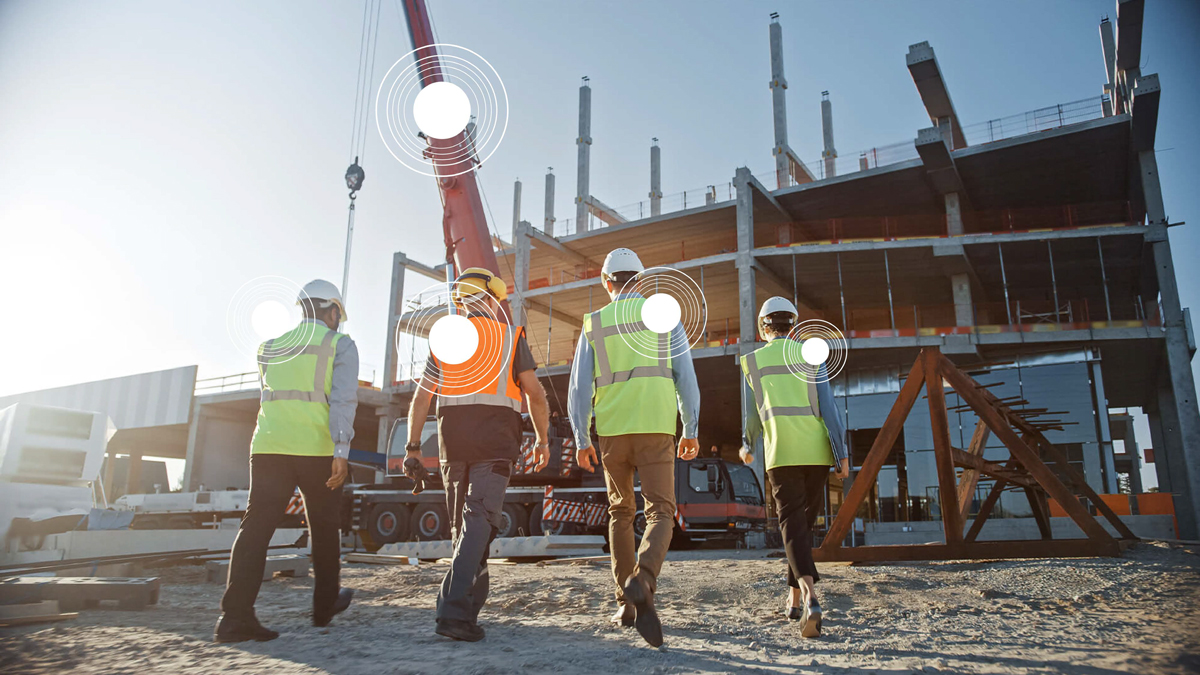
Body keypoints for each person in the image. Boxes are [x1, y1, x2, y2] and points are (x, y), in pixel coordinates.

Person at [405, 267, 551, 643]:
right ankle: (453, 612)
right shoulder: (509, 336)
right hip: (496, 444)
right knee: (478, 523)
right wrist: (543, 439)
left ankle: (468, 613)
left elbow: (422, 397)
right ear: (489, 298)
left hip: (453, 447)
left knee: (468, 530)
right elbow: (535, 394)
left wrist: (413, 447)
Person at [568, 248, 701, 647]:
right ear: (640, 282)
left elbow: (578, 388)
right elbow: (686, 378)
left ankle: (626, 605)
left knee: (620, 511)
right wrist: (690, 427)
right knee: (661, 511)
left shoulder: (594, 323)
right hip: (657, 428)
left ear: (607, 284)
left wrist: (580, 438)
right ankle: (642, 580)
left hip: (611, 430)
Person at [215, 279, 358, 643]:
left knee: (255, 529)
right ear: (333, 311)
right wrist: (341, 450)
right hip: (317, 450)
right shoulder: (339, 344)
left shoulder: (269, 347)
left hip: (268, 448)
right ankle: (324, 606)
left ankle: (234, 618)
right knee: (325, 528)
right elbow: (342, 401)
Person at [740, 296, 848, 639]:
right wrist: (841, 454)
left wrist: (746, 444)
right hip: (816, 454)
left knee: (791, 526)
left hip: (781, 453)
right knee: (802, 528)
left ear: (763, 328)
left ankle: (812, 596)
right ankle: (794, 598)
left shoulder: (753, 362)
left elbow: (752, 413)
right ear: (794, 324)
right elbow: (828, 409)